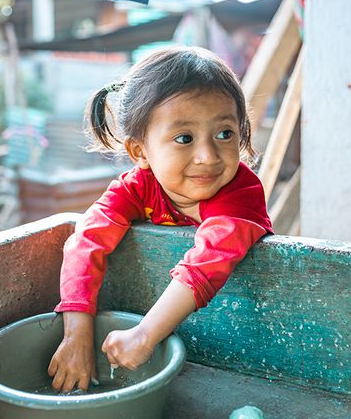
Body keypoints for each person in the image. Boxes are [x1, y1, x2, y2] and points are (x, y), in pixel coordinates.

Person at [47, 46, 273, 393]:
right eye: (185, 138)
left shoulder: (240, 193)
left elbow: (205, 266)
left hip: (252, 348)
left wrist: (144, 334)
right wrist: (77, 335)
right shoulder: (136, 188)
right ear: (140, 151)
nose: (208, 156)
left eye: (224, 134)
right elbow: (86, 241)